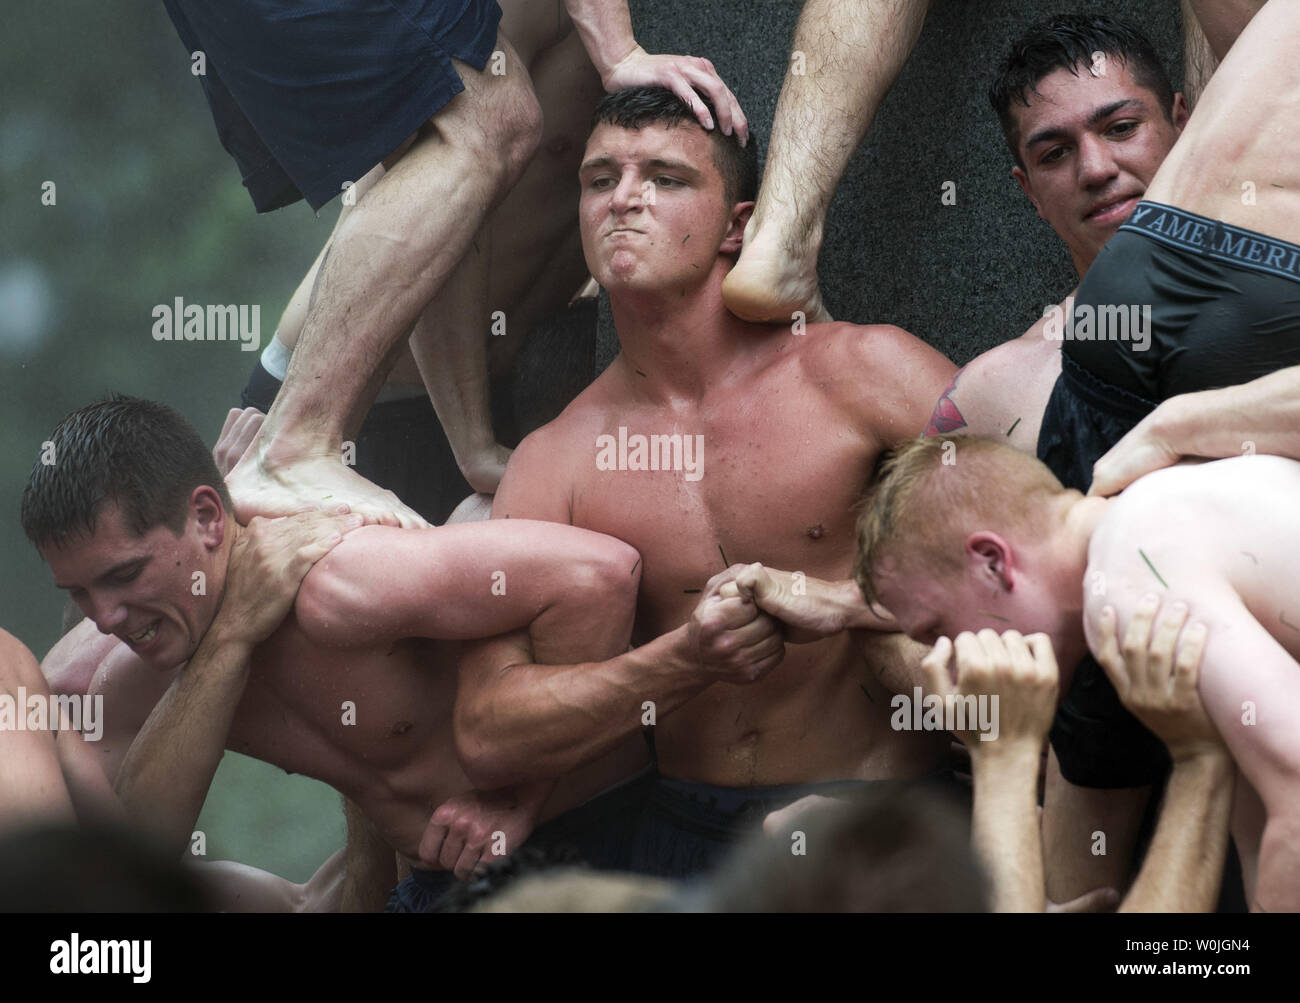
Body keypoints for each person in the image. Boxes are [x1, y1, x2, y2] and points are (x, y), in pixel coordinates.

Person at [450, 85, 959, 884]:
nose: (624, 197)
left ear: (739, 226)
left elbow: (1043, 546)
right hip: (685, 836)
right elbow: (487, 728)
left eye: (665, 177)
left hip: (879, 815)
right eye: (599, 178)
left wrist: (850, 603)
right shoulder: (554, 460)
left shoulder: (866, 371)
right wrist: (682, 661)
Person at [22, 395, 652, 907]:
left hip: (591, 841)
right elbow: (140, 861)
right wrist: (229, 640)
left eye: (125, 576)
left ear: (209, 519)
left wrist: (514, 798)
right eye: (78, 593)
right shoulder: (153, 669)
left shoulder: (339, 581)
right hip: (441, 888)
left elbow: (598, 577)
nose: (104, 618)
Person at [164, 0, 747, 526]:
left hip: (495, 413)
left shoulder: (690, 44)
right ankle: (295, 442)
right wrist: (473, 445)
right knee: (182, 629)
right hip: (358, 398)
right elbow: (449, 140)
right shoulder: (519, 18)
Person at [853, 434, 1300, 911]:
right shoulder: (1154, 515)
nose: (948, 663)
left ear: (992, 563)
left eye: (937, 631)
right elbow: (1260, 824)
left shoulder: (1129, 579)